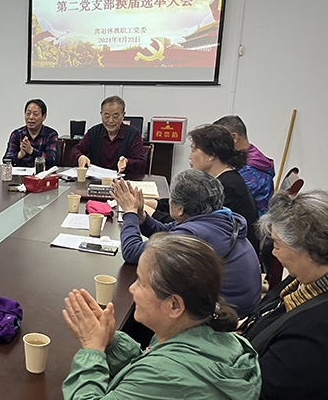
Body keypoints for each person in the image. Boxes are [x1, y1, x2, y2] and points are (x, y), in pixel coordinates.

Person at [62, 233, 261, 400]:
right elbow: (150, 365)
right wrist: (112, 341)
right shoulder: (214, 337)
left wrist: (92, 349)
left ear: (174, 305)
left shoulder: (168, 375)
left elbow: (157, 376)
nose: (131, 288)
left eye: (141, 282)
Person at [112, 169, 261, 317]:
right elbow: (168, 232)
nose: (169, 201)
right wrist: (141, 217)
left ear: (180, 209)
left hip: (226, 318)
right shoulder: (220, 217)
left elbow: (132, 252)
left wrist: (130, 212)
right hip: (241, 308)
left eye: (171, 198)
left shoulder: (195, 234)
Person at [239, 191, 328, 400]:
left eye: (277, 245)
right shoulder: (302, 279)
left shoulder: (316, 330)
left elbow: (262, 389)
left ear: (309, 251)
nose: (274, 252)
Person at [188, 124, 261, 251]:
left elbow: (190, 218)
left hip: (233, 254)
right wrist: (155, 204)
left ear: (211, 155)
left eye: (194, 150)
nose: (190, 156)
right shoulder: (225, 178)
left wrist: (154, 212)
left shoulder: (227, 186)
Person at [214, 115, 275, 216]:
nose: (216, 145)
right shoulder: (252, 156)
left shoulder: (250, 170)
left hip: (251, 223)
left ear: (234, 137)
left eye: (219, 140)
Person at [69, 95, 144, 174]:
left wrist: (127, 161)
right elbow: (75, 150)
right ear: (101, 114)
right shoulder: (94, 132)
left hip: (121, 179)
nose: (110, 121)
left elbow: (141, 164)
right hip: (96, 178)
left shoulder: (133, 135)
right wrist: (80, 157)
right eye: (107, 116)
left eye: (115, 116)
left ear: (123, 115)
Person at [2, 99, 59, 169]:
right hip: (20, 174)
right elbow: (6, 160)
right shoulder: (17, 134)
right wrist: (20, 154)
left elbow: (51, 160)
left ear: (44, 117)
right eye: (28, 113)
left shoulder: (51, 134)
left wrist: (31, 150)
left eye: (36, 114)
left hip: (42, 174)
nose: (31, 117)